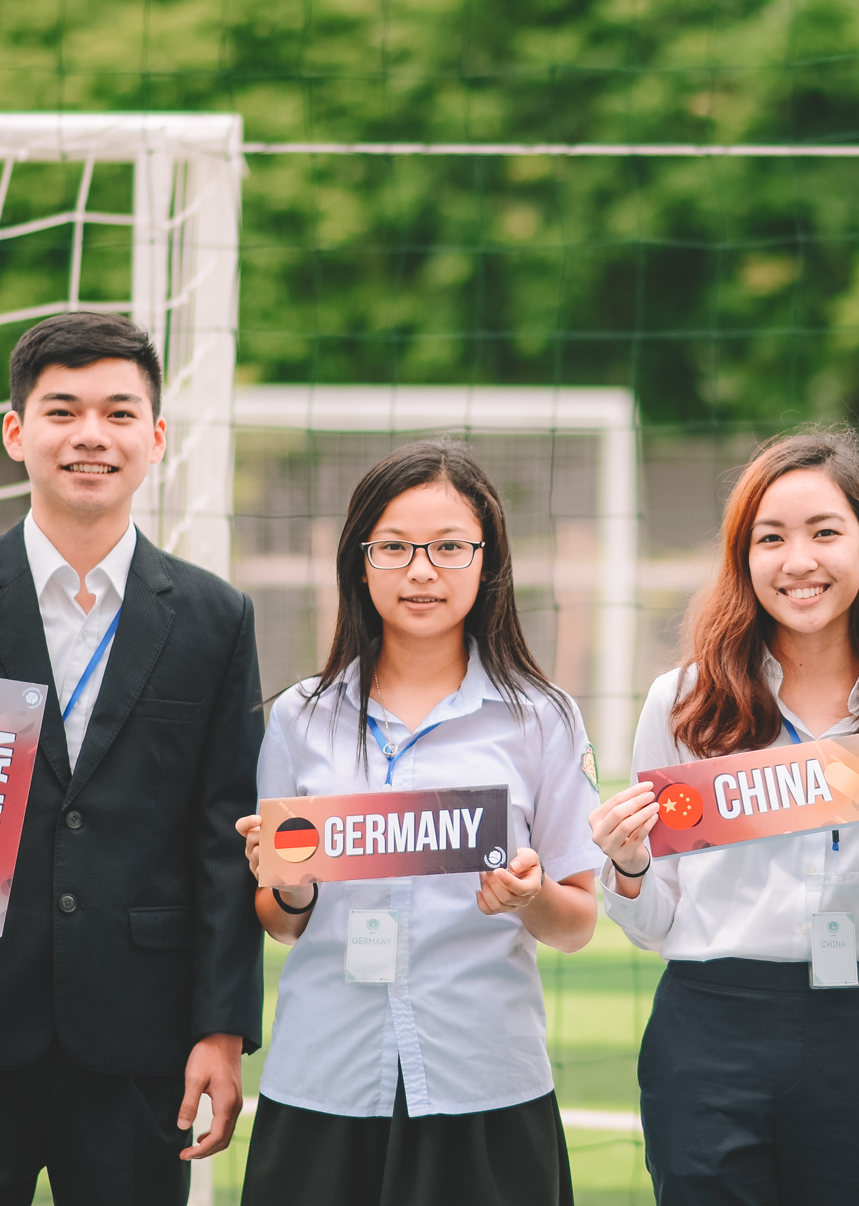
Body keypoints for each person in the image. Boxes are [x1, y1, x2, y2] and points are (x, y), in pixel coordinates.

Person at [0, 312, 263, 1205]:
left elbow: (226, 836)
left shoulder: (217, 618)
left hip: (139, 1038)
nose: (91, 435)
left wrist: (223, 1029)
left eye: (118, 411)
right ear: (17, 432)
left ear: (156, 437)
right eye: (63, 411)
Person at [235, 439, 602, 1206]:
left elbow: (576, 922)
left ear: (488, 559)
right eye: (395, 547)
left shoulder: (543, 720)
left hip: (483, 1078)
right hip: (326, 1076)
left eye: (449, 547)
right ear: (358, 563)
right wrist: (292, 887)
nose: (422, 570)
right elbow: (279, 919)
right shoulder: (301, 718)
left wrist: (528, 897)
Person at [588, 429, 859, 1205]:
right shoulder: (682, 704)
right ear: (744, 559)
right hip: (710, 1034)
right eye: (770, 538)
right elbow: (654, 922)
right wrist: (627, 865)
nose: (798, 561)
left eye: (825, 532)